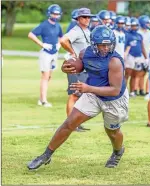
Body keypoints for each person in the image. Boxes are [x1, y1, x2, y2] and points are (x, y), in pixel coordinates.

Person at [27, 25, 129, 170]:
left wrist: (88, 88)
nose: (106, 48)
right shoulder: (85, 53)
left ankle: (118, 152)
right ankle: (46, 155)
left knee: (112, 132)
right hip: (93, 95)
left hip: (114, 100)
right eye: (102, 45)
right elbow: (77, 66)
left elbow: (114, 90)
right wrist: (65, 67)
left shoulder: (115, 61)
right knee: (69, 123)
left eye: (108, 44)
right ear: (93, 44)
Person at [60, 8, 93, 132]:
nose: (87, 19)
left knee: (80, 96)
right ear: (78, 19)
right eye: (84, 17)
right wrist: (72, 52)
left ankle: (76, 123)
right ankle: (70, 124)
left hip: (84, 68)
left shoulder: (86, 30)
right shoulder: (76, 31)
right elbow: (63, 40)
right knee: (74, 95)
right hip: (76, 67)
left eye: (89, 17)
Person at [28, 4, 63, 107]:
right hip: (46, 53)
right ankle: (44, 101)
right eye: (54, 14)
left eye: (57, 14)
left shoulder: (58, 26)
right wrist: (42, 44)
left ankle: (41, 98)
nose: (55, 16)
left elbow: (61, 37)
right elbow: (31, 34)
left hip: (54, 53)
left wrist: (59, 44)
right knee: (45, 76)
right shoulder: (44, 25)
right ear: (49, 13)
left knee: (49, 76)